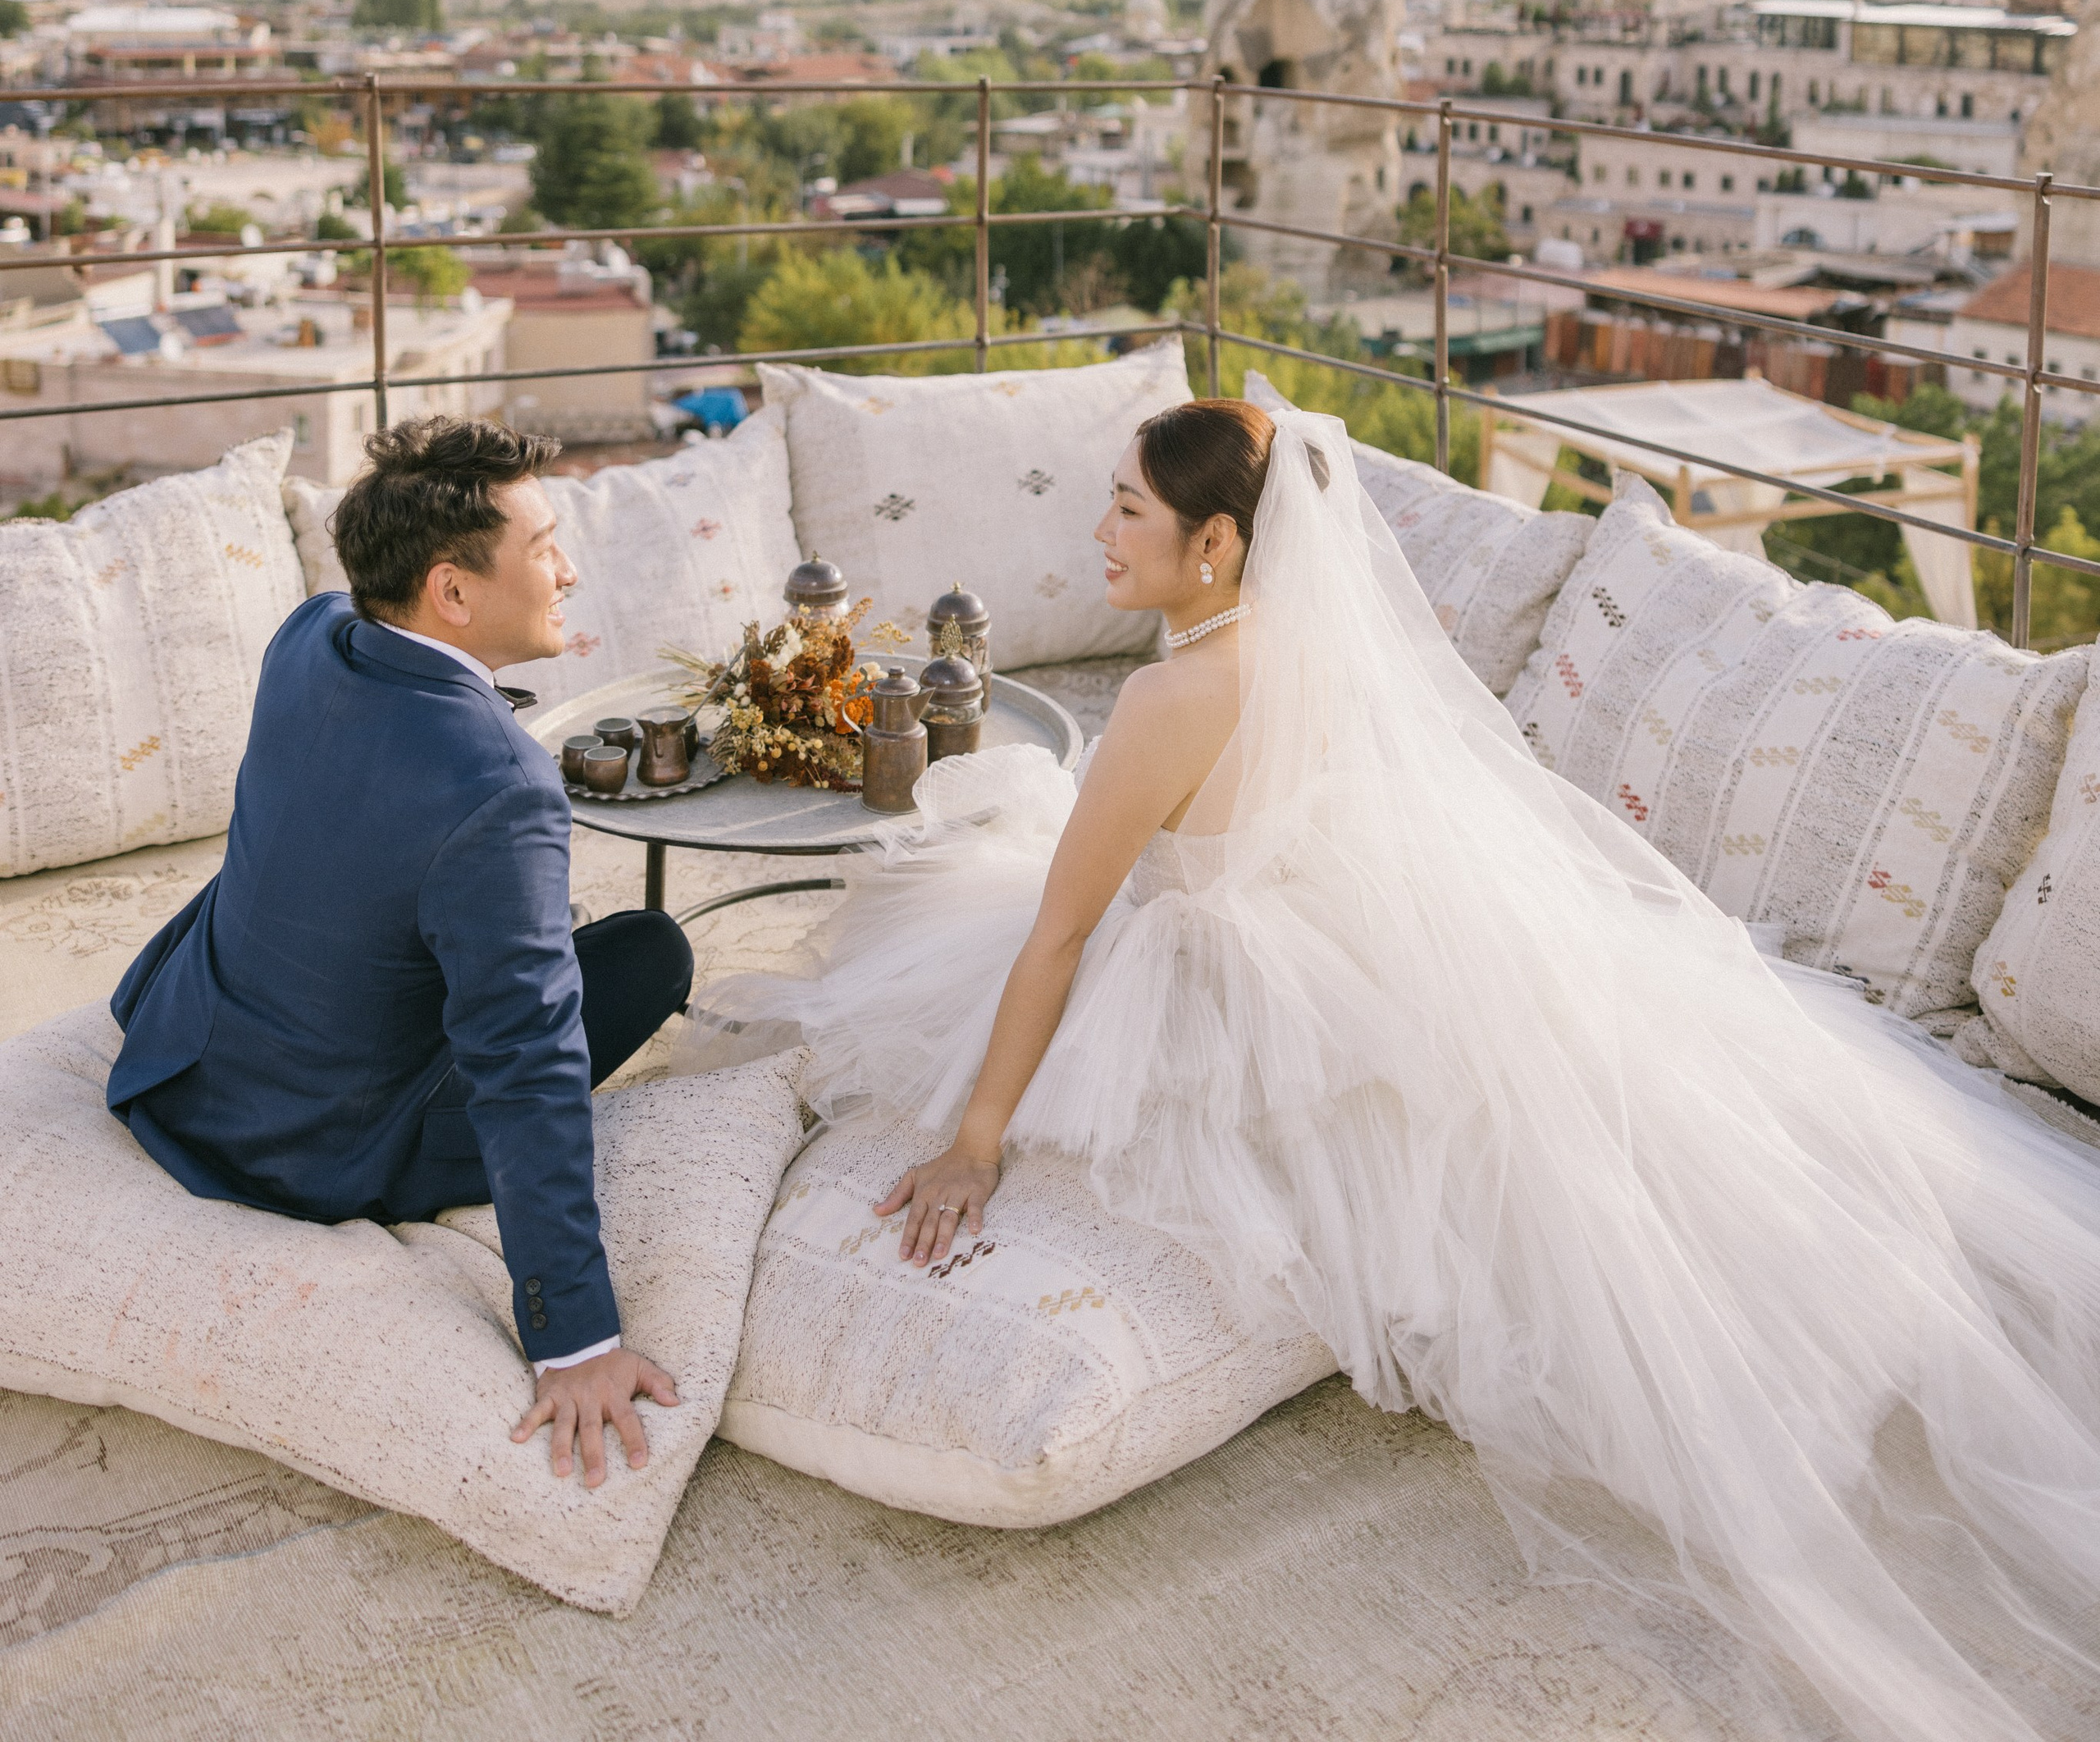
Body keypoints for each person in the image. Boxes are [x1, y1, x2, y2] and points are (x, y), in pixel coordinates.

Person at [683, 395, 2100, 1742]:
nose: (1098, 538)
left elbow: (1058, 937)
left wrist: (977, 1136)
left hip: (1232, 956)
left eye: (1126, 511)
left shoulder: (1174, 698)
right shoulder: (1301, 648)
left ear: (1215, 542)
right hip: (1331, 917)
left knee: (955, 908)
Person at [107, 414, 695, 1491]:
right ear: (453, 594)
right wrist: (576, 1337)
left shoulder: (311, 633)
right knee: (650, 951)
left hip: (181, 1055)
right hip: (311, 1151)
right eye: (545, 547)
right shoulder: (503, 787)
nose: (569, 568)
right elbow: (527, 1068)